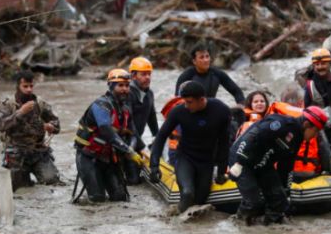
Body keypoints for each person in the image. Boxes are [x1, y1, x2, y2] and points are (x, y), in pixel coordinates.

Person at [228, 105, 328, 224]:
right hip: (242, 158)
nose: (315, 136)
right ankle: (239, 225)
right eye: (315, 131)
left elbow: (286, 166)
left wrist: (286, 190)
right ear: (306, 124)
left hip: (263, 163)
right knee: (253, 202)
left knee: (279, 201)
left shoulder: (297, 139)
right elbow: (253, 136)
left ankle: (269, 228)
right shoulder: (282, 124)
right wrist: (239, 162)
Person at [149, 81, 231, 214]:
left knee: (200, 202)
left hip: (206, 161)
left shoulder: (221, 111)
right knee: (187, 193)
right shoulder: (179, 111)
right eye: (185, 101)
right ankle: (173, 220)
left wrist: (222, 171)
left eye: (189, 102)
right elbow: (160, 137)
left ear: (201, 99)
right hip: (185, 158)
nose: (186, 106)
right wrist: (154, 165)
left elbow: (224, 142)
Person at [74, 69, 142, 203]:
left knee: (120, 199)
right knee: (97, 199)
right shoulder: (101, 105)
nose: (125, 89)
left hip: (110, 159)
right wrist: (128, 150)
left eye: (127, 86)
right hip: (89, 158)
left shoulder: (126, 110)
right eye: (120, 85)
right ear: (111, 86)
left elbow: (134, 134)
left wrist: (132, 150)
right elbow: (106, 131)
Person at [0, 70, 61, 190]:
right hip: (16, 154)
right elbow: (1, 125)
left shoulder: (40, 103)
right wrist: (20, 112)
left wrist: (51, 126)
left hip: (39, 152)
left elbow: (57, 124)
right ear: (18, 86)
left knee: (52, 182)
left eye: (31, 86)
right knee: (17, 190)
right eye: (25, 86)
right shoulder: (8, 105)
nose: (29, 89)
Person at [175, 43, 245, 105]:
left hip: (210, 109)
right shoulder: (186, 76)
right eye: (201, 57)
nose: (205, 60)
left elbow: (237, 91)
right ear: (194, 61)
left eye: (207, 56)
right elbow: (177, 99)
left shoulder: (217, 73)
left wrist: (241, 106)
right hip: (192, 110)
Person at [125, 56, 158, 185]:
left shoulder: (149, 94)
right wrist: (142, 146)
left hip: (136, 140)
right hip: (125, 141)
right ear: (133, 76)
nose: (148, 78)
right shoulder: (127, 94)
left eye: (149, 74)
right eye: (143, 74)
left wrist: (158, 136)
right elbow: (129, 123)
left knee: (140, 178)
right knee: (133, 180)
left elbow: (152, 117)